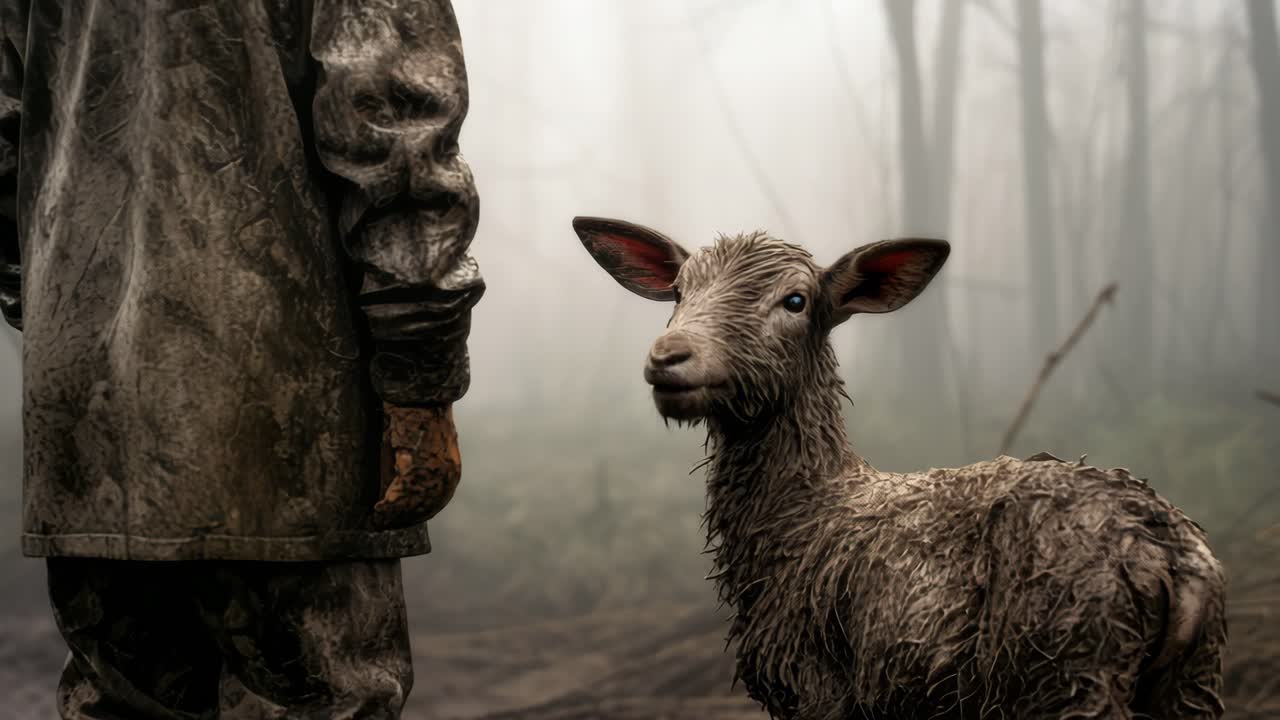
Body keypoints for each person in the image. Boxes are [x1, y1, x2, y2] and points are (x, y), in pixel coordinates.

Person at [0, 1, 483, 717]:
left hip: (90, 425)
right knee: (313, 699)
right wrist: (420, 380)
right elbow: (397, 141)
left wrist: (59, 329)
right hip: (284, 428)